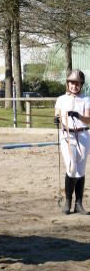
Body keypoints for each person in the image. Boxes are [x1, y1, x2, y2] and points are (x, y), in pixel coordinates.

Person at [54, 69, 90, 215]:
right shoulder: (61, 99)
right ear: (67, 83)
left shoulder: (86, 99)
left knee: (81, 170)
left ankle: (79, 203)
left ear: (81, 85)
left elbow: (89, 120)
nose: (74, 86)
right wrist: (56, 119)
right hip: (67, 136)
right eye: (72, 83)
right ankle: (68, 200)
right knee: (72, 166)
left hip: (83, 135)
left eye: (77, 84)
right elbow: (57, 113)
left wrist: (79, 116)